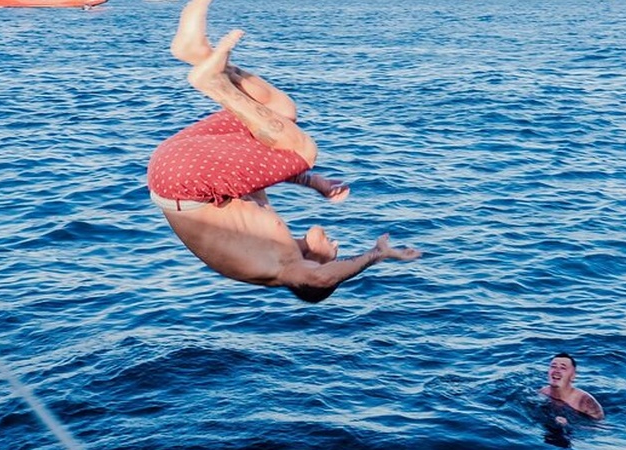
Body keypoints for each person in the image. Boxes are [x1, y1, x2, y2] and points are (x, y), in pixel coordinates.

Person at [147, 0, 421, 303]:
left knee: (304, 151)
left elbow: (322, 278)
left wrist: (377, 254)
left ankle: (213, 83)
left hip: (186, 181)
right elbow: (249, 174)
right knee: (281, 112)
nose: (336, 246)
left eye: (335, 255)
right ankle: (197, 53)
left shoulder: (284, 268)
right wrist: (311, 182)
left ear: (317, 269)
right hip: (176, 168)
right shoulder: (265, 242)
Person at [539, 352, 604, 423]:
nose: (557, 371)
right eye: (553, 366)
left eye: (563, 368)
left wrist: (569, 424)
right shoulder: (542, 392)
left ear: (573, 376)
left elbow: (599, 426)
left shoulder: (585, 402)